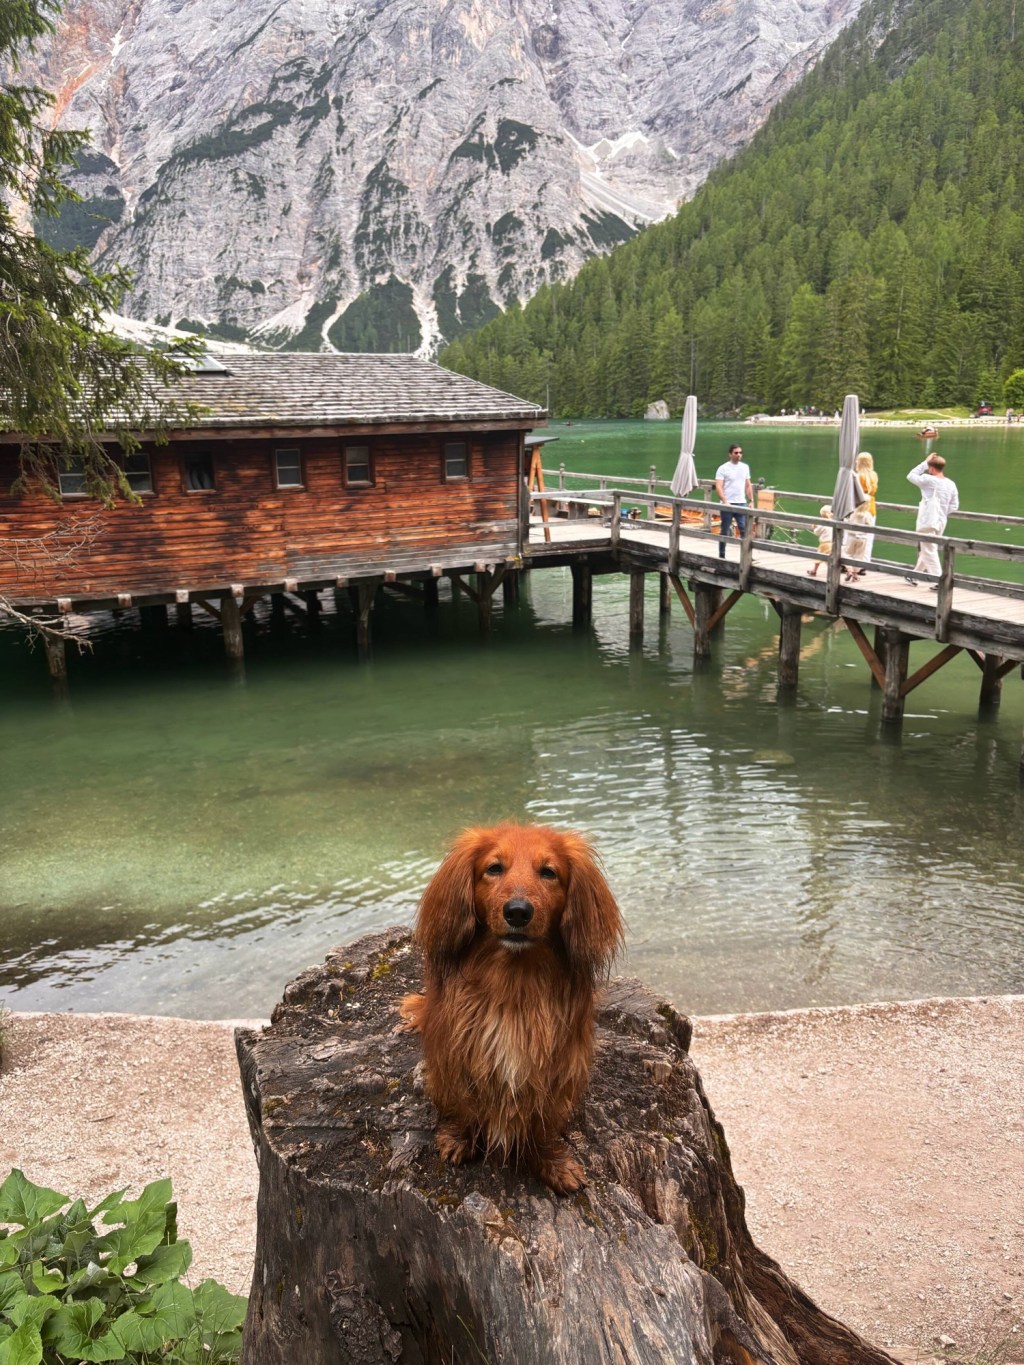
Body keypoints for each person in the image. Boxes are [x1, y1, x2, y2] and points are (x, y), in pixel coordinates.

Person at [906, 454, 959, 587]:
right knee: (928, 547)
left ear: (931, 468)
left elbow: (911, 475)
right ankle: (914, 576)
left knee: (929, 550)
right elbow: (954, 506)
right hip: (941, 521)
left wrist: (925, 461)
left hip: (928, 521)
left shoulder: (928, 480)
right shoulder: (951, 484)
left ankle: (940, 581)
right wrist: (941, 512)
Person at [714, 444, 753, 558]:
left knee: (744, 530)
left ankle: (746, 555)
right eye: (736, 453)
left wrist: (751, 501)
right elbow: (719, 486)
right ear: (730, 454)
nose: (738, 455)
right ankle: (722, 554)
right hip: (728, 504)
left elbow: (748, 485)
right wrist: (725, 501)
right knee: (725, 530)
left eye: (740, 453)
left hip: (741, 502)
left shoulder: (745, 467)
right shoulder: (723, 468)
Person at [855, 451, 878, 565]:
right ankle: (865, 564)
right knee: (868, 538)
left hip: (858, 508)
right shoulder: (874, 475)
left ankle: (853, 563)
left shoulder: (857, 476)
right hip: (871, 508)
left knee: (854, 537)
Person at [806, 504, 833, 577]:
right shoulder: (833, 522)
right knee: (831, 558)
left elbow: (817, 532)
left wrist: (814, 527)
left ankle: (814, 570)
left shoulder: (822, 523)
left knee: (819, 557)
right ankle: (846, 571)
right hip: (833, 543)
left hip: (824, 544)